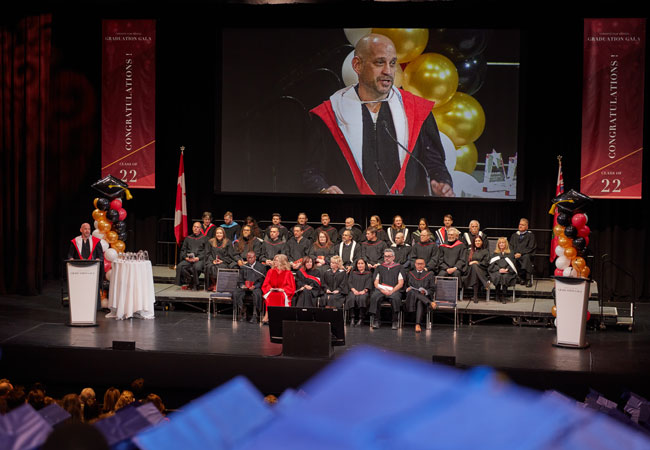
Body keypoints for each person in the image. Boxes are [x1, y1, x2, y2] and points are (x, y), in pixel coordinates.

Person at [304, 33, 454, 197]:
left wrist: (442, 183)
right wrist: (322, 189)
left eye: (392, 63)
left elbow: (434, 164)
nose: (388, 71)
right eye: (380, 62)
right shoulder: (329, 114)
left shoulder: (417, 111)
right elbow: (311, 171)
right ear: (357, 65)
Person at [68, 222, 105, 308]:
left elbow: (100, 255)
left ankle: (94, 306)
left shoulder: (96, 241)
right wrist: (71, 259)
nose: (87, 231)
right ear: (81, 230)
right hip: (79, 269)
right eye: (85, 229)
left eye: (89, 229)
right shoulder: (75, 241)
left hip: (92, 269)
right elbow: (70, 254)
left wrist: (99, 259)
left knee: (93, 289)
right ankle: (79, 305)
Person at [368, 248, 404, 330]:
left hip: (394, 289)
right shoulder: (380, 268)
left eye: (389, 256)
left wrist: (392, 291)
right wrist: (382, 290)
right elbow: (376, 283)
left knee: (395, 298)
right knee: (375, 297)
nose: (387, 258)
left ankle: (395, 321)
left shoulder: (399, 267)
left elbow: (400, 283)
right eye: (385, 256)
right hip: (381, 289)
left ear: (393, 257)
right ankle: (376, 320)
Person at [233, 251, 267, 322]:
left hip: (256, 287)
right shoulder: (244, 267)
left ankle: (255, 314)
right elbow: (240, 280)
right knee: (236, 293)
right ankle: (243, 312)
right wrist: (242, 286)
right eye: (248, 258)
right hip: (245, 288)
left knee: (257, 294)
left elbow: (262, 280)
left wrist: (255, 286)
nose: (249, 259)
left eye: (251, 258)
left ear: (255, 257)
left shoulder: (261, 267)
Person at [405, 258, 437, 333]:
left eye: (421, 264)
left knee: (420, 301)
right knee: (412, 291)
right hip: (411, 297)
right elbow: (405, 287)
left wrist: (426, 292)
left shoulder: (429, 274)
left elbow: (432, 289)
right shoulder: (410, 273)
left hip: (423, 296)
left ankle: (417, 324)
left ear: (424, 265)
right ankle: (429, 303)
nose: (419, 265)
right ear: (415, 264)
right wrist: (407, 289)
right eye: (418, 264)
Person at [261, 254, 296, 323]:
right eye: (274, 260)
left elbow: (291, 286)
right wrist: (270, 288)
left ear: (282, 262)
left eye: (277, 261)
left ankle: (280, 317)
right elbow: (266, 284)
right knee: (271, 296)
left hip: (283, 292)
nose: (275, 262)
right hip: (272, 291)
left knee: (280, 296)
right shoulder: (270, 271)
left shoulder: (288, 273)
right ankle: (267, 315)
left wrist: (283, 290)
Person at [175, 222, 209, 290]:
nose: (195, 228)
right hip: (189, 259)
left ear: (200, 229)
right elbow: (183, 250)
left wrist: (198, 258)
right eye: (194, 227)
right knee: (180, 266)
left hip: (200, 259)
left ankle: (195, 285)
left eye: (197, 227)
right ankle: (191, 281)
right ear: (192, 228)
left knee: (196, 267)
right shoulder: (188, 238)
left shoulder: (205, 238)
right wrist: (186, 258)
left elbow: (207, 251)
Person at [345, 258, 373, 326]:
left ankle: (361, 318)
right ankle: (352, 318)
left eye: (362, 263)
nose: (360, 265)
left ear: (365, 264)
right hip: (354, 291)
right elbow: (349, 282)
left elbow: (369, 283)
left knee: (362, 298)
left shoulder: (369, 273)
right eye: (358, 263)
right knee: (351, 297)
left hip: (364, 292)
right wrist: (354, 290)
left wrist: (364, 291)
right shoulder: (353, 272)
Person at [489, 237, 518, 304]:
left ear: (506, 244)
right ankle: (497, 294)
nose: (501, 244)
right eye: (500, 243)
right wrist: (499, 269)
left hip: (508, 271)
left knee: (505, 277)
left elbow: (513, 264)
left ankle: (504, 296)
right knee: (498, 276)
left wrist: (507, 269)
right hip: (497, 271)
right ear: (498, 245)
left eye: (503, 243)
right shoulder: (495, 253)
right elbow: (492, 264)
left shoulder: (510, 253)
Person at [509, 218, 536, 287]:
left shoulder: (531, 235)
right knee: (510, 257)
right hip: (515, 254)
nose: (520, 226)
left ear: (527, 227)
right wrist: (514, 254)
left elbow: (530, 247)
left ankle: (528, 279)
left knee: (526, 257)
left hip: (525, 254)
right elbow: (510, 246)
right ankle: (519, 278)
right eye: (520, 224)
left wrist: (520, 253)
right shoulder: (514, 235)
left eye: (523, 225)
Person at [463, 235, 490, 303]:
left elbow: (486, 262)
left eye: (479, 241)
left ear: (482, 242)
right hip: (469, 271)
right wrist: (471, 263)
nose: (477, 242)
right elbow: (466, 262)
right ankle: (484, 283)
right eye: (476, 241)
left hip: (482, 270)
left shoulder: (485, 251)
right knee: (474, 268)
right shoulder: (469, 251)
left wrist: (477, 262)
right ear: (473, 242)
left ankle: (475, 296)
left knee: (475, 268)